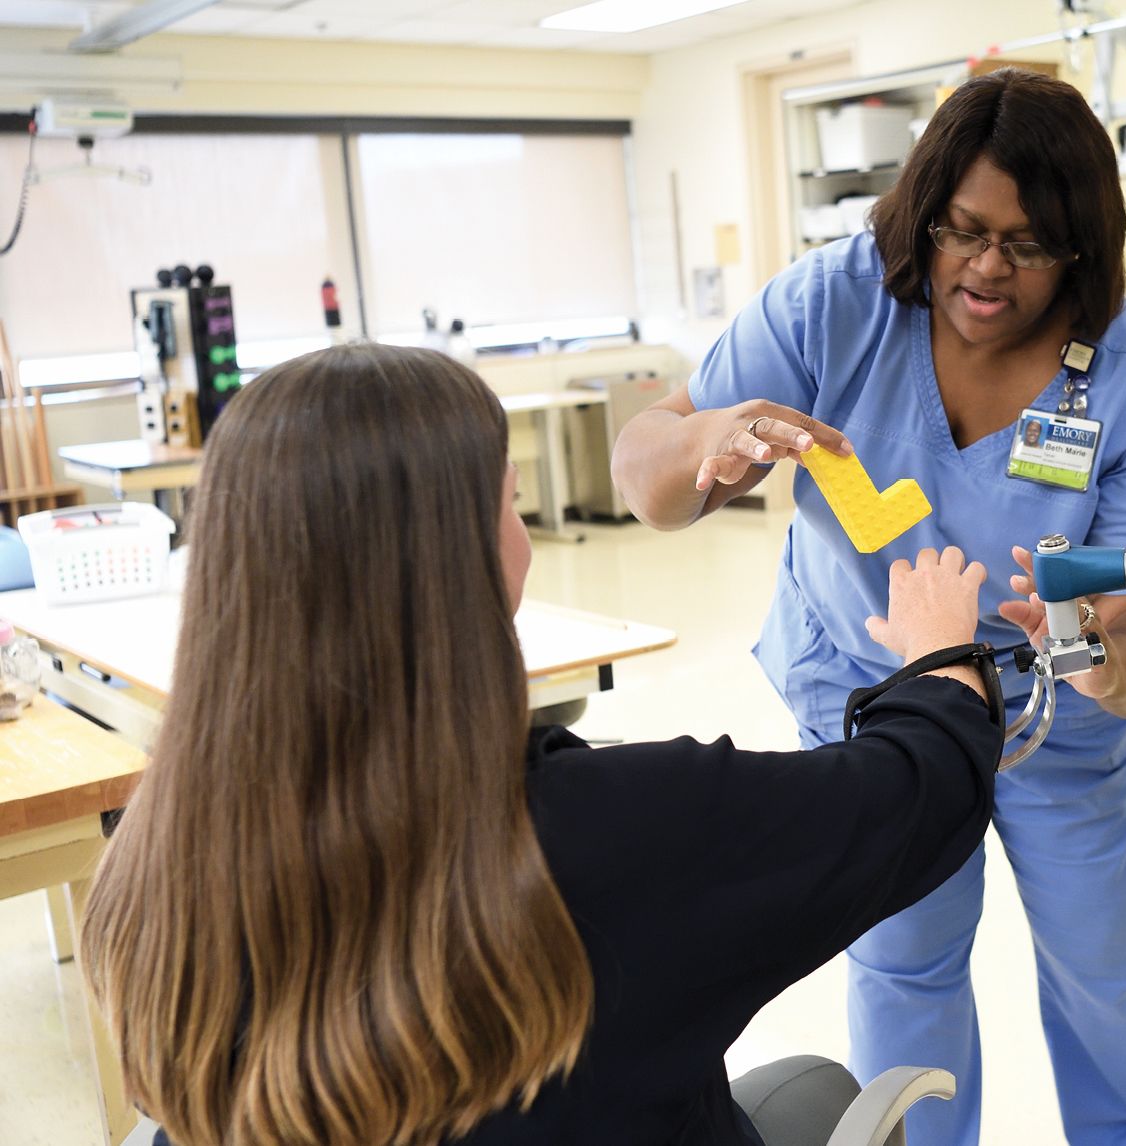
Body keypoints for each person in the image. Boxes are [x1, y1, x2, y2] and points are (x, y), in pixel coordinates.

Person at [78, 343, 1007, 1146]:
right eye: (508, 505)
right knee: (811, 1091)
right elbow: (918, 793)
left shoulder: (155, 860)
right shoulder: (611, 838)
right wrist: (943, 658)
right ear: (461, 560)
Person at [612, 68, 1126, 1144]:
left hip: (1059, 710)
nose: (986, 270)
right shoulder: (834, 302)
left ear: (1081, 247)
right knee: (902, 967)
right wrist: (712, 440)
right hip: (869, 689)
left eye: (1028, 246)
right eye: (961, 230)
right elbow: (646, 466)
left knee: (1110, 975)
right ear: (920, 211)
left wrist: (1104, 659)